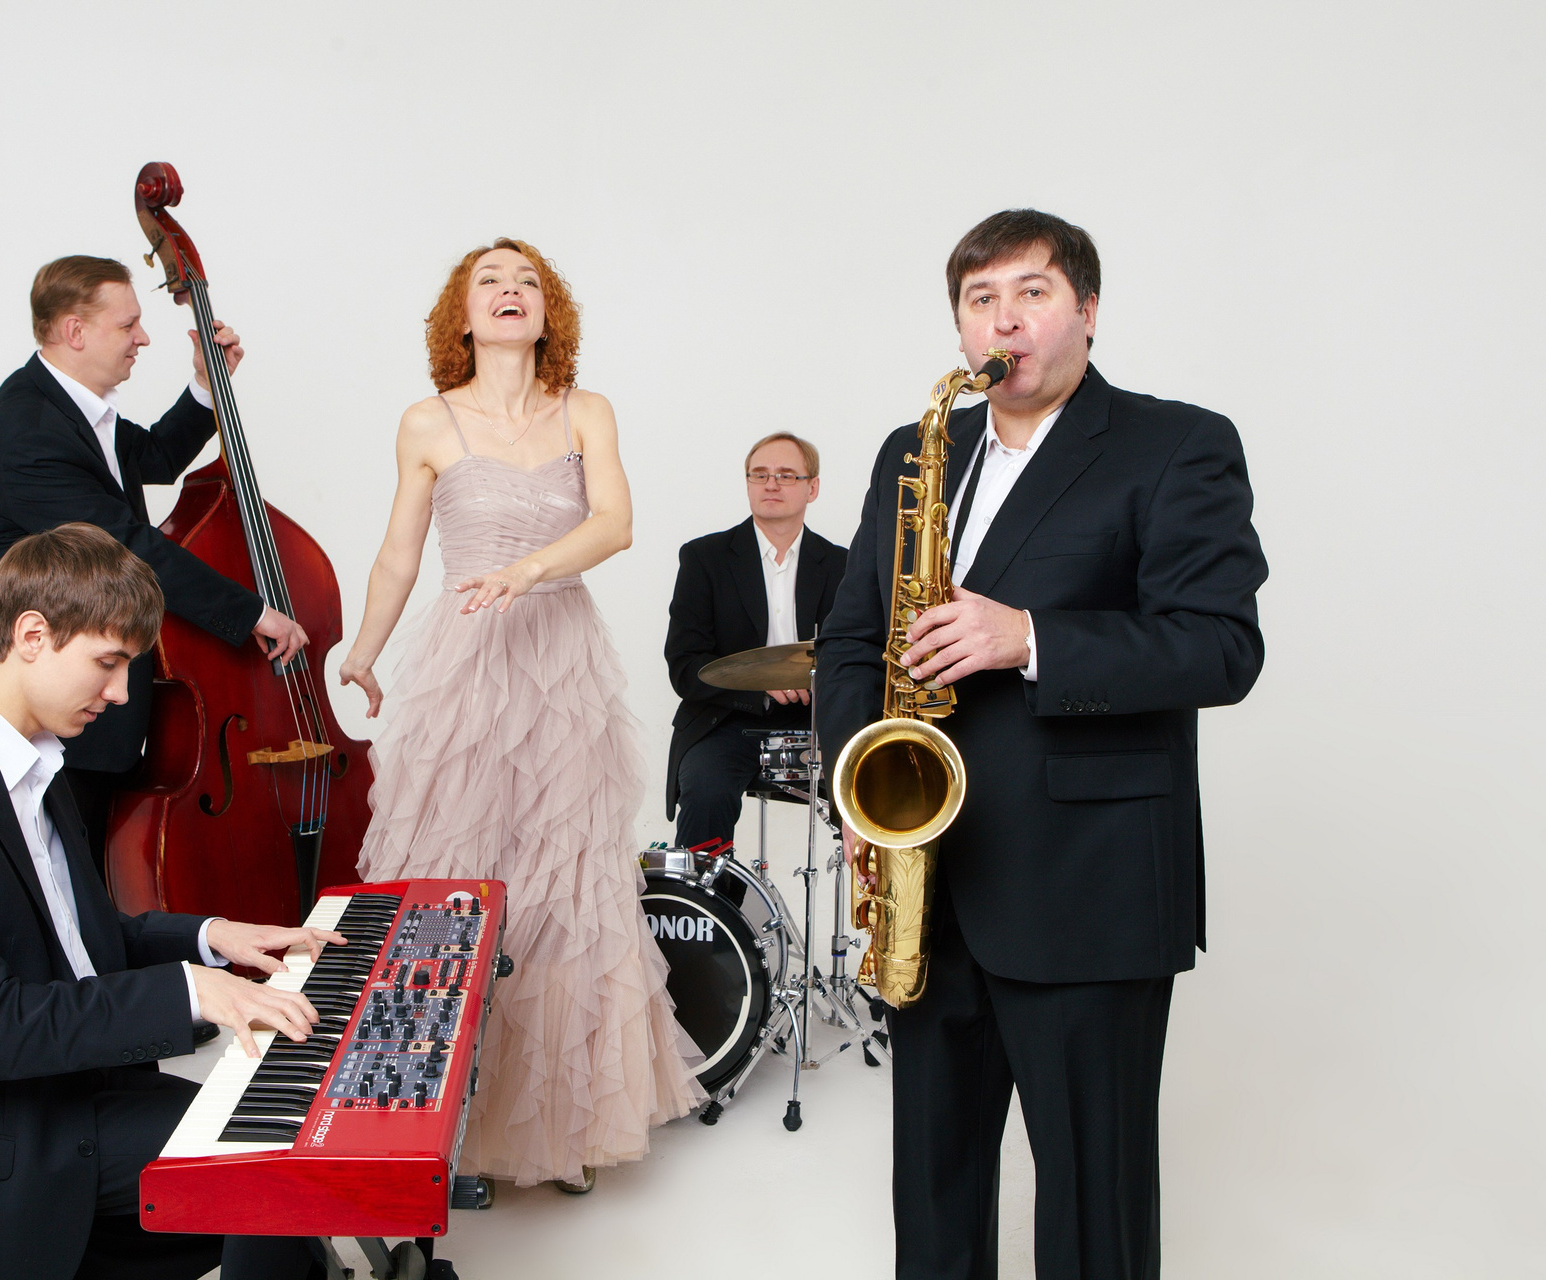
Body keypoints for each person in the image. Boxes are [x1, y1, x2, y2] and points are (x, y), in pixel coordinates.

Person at [816, 209, 1267, 1278]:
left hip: (1089, 887)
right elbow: (850, 640)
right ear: (960, 327)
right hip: (928, 879)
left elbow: (1221, 648)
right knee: (934, 1201)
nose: (1004, 320)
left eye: (1032, 292)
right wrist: (860, 787)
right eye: (981, 300)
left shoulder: (1178, 443)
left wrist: (1030, 638)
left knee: (1094, 1209)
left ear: (1088, 312)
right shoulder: (914, 452)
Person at [0, 523, 344, 1280]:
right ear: (32, 636)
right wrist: (189, 991)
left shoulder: (38, 765)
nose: (121, 694)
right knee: (267, 1162)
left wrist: (213, 938)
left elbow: (79, 941)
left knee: (282, 1144)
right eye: (108, 663)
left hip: (73, 1098)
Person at [338, 238, 703, 1195]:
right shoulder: (427, 421)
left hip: (558, 657)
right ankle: (433, 1125)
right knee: (450, 883)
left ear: (549, 312)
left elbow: (615, 523)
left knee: (563, 885)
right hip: (464, 663)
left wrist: (530, 570)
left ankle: (561, 1129)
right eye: (489, 281)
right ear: (461, 316)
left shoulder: (586, 410)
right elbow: (398, 555)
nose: (510, 290)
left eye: (528, 281)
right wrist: (364, 649)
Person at [0, 255, 308, 875]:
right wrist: (253, 612)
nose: (143, 338)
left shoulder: (74, 411)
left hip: (83, 684)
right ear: (75, 331)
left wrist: (206, 385)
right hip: (38, 684)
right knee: (52, 877)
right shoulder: (27, 430)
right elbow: (125, 547)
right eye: (128, 325)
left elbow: (154, 458)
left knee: (87, 876)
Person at [664, 432, 846, 855]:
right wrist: (760, 685)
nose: (771, 484)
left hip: (821, 719)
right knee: (706, 790)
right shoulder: (703, 558)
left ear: (812, 487)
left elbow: (858, 654)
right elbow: (684, 666)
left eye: (786, 475)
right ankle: (705, 895)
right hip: (730, 717)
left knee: (879, 784)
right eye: (759, 475)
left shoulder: (843, 564)